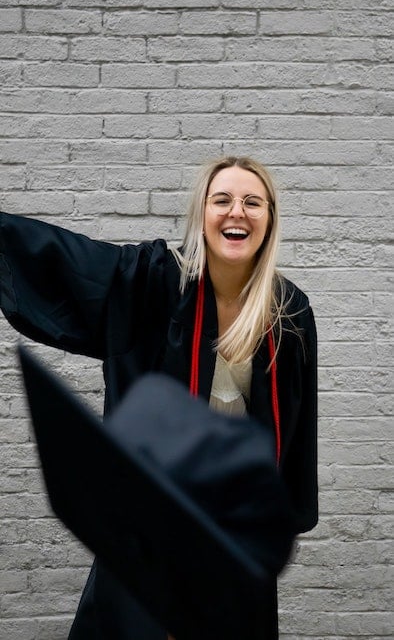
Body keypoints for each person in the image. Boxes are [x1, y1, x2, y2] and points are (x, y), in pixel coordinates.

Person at [0, 155, 318, 639]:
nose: (237, 212)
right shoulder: (155, 281)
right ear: (202, 213)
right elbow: (71, 262)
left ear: (270, 218)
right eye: (222, 200)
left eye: (253, 202)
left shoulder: (289, 314)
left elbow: (297, 432)